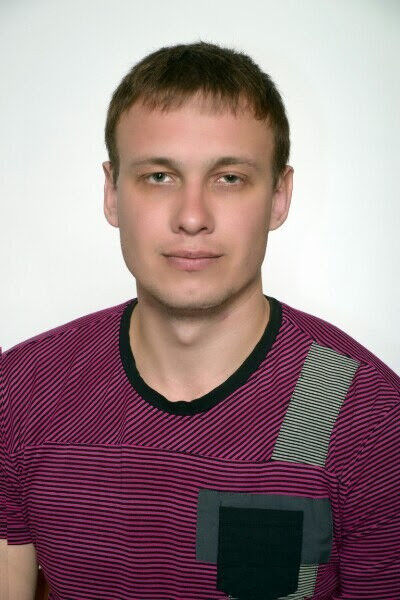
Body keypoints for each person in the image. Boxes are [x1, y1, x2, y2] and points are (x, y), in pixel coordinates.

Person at [1, 40, 399, 600]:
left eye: (229, 178)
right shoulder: (18, 391)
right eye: (159, 176)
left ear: (279, 196)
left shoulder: (372, 420)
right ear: (112, 193)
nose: (192, 217)